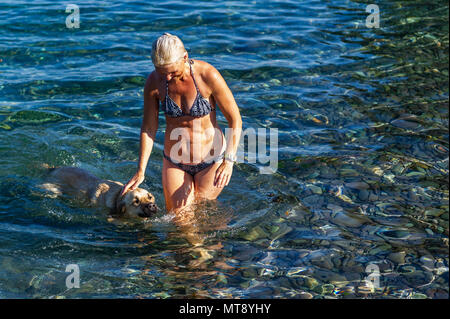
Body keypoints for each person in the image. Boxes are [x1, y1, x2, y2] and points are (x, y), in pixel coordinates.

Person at [120, 33, 242, 215]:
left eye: (172, 71)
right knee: (180, 221)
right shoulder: (154, 81)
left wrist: (229, 161)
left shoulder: (208, 75)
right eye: (162, 72)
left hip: (211, 161)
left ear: (185, 57)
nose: (167, 78)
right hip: (175, 160)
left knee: (201, 215)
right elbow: (148, 128)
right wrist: (140, 170)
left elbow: (235, 120)